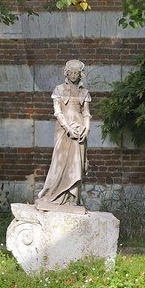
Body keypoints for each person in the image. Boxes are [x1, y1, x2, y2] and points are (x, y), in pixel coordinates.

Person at [37, 59, 92, 208]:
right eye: (71, 72)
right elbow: (58, 112)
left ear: (80, 75)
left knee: (77, 166)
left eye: (76, 73)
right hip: (64, 131)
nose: (73, 75)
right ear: (67, 73)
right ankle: (52, 195)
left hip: (80, 132)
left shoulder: (84, 93)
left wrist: (86, 129)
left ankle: (73, 200)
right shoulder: (59, 90)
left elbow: (86, 113)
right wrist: (68, 128)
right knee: (59, 164)